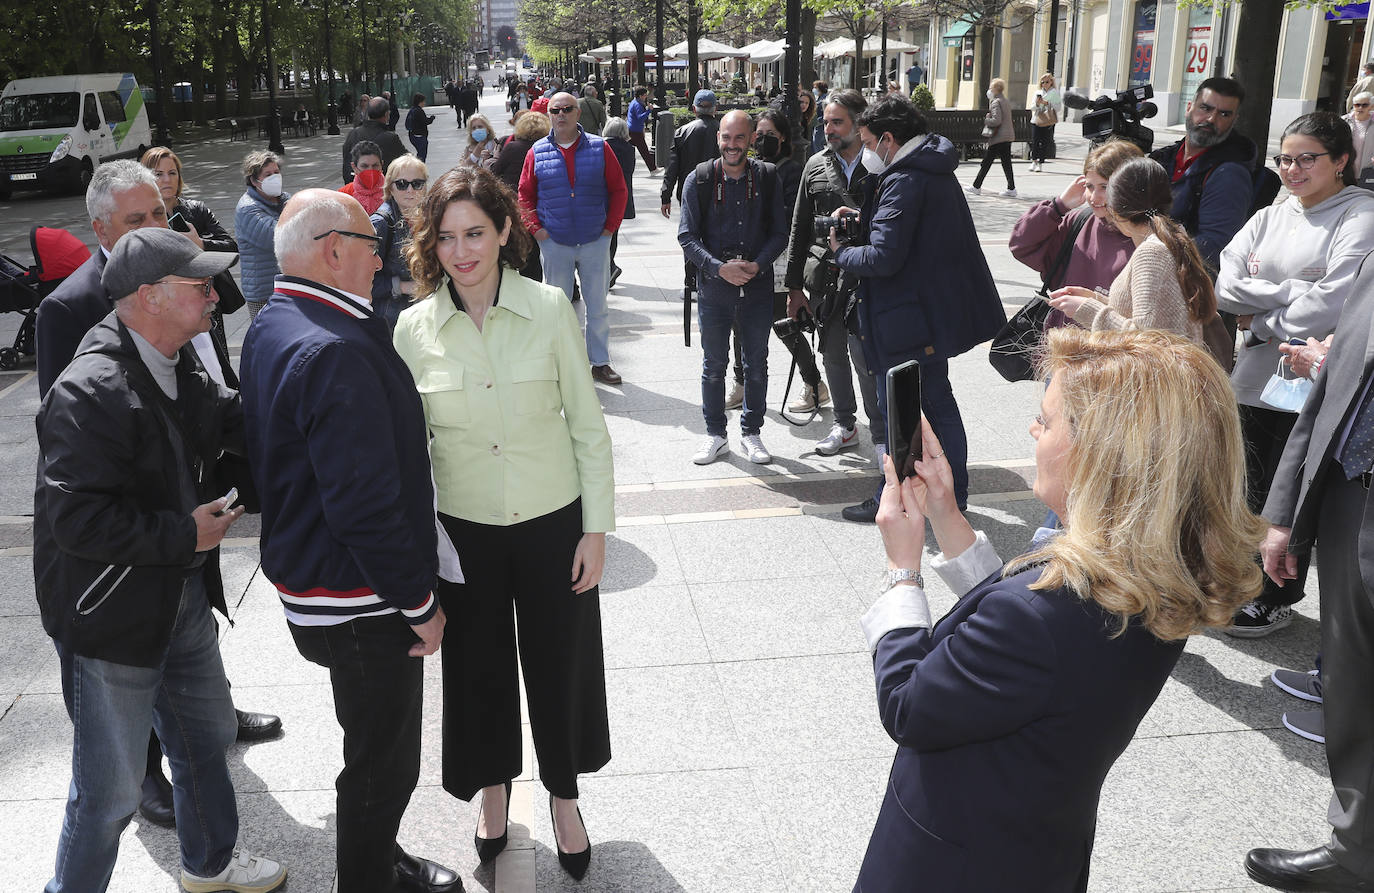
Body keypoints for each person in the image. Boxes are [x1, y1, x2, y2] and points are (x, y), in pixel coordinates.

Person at [858, 326, 1266, 891]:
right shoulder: (1151, 563)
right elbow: (1028, 651)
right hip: (1034, 845)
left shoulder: (1037, 616)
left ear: (1100, 452)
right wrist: (946, 514)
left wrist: (904, 572)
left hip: (952, 859)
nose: (1033, 429)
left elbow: (907, 705)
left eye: (1047, 421)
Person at [36, 227, 288, 893]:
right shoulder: (90, 389)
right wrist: (184, 535)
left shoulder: (176, 362)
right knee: (109, 795)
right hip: (112, 616)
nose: (213, 295)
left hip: (177, 598)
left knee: (204, 742)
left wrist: (313, 406)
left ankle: (210, 866)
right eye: (198, 285)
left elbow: (232, 416)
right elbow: (74, 519)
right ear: (149, 297)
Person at [392, 166, 613, 883]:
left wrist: (596, 528)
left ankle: (565, 794)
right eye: (447, 236)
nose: (463, 251)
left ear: (505, 233)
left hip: (554, 523)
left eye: (476, 233)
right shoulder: (413, 329)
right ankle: (493, 789)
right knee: (479, 668)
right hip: (466, 535)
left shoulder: (549, 308)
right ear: (431, 243)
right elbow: (409, 455)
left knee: (561, 666)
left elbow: (588, 425)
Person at [238, 190, 462, 893]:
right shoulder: (331, 347)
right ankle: (368, 877)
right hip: (359, 600)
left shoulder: (278, 321)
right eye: (369, 245)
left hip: (318, 582)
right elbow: (364, 508)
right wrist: (419, 601)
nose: (381, 257)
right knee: (382, 762)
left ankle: (379, 854)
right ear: (333, 250)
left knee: (368, 739)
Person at [1213, 111, 1374, 640]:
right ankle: (1240, 581)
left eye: (1308, 159)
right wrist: (1288, 292)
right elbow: (1224, 282)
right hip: (1255, 375)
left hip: (1313, 383)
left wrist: (1258, 320)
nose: (1293, 169)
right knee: (1245, 486)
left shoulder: (1359, 215)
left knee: (1290, 496)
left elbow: (1335, 300)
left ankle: (1277, 594)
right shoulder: (1272, 213)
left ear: (1342, 161)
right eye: (1285, 159)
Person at [831, 95, 1003, 519]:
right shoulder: (929, 169)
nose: (868, 151)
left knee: (908, 413)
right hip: (923, 314)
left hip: (907, 318)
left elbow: (883, 257)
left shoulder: (905, 178)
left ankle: (904, 499)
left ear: (889, 140)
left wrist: (841, 252)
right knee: (935, 403)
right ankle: (947, 498)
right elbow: (911, 236)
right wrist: (865, 218)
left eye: (869, 143)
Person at [679, 110, 788, 465]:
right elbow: (686, 235)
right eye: (726, 138)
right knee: (714, 365)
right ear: (718, 139)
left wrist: (758, 264)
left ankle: (752, 433)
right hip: (715, 288)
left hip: (757, 287)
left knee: (756, 364)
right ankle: (715, 435)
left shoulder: (768, 177)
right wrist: (718, 268)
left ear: (752, 139)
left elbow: (779, 233)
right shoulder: (699, 179)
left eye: (740, 138)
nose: (732, 145)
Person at [783, 89, 881, 461]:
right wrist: (794, 287)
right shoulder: (815, 165)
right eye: (825, 121)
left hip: (868, 279)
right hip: (826, 278)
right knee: (833, 355)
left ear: (860, 124)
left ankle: (883, 431)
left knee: (866, 359)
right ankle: (844, 424)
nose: (829, 129)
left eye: (837, 122)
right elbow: (799, 228)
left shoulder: (880, 165)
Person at [517, 91, 629, 385]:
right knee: (556, 309)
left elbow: (619, 190)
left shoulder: (600, 148)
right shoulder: (536, 152)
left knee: (598, 306)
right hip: (555, 243)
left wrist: (609, 229)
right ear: (549, 115)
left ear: (578, 113)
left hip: (594, 241)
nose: (562, 114)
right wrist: (538, 231)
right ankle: (561, 364)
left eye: (568, 109)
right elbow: (524, 196)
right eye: (556, 110)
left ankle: (600, 362)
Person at [1047, 155, 1215, 346]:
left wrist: (1088, 309)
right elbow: (1151, 318)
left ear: (1116, 208)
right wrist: (1095, 299)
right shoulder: (1170, 239)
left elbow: (1144, 338)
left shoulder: (1151, 253)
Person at [1009, 139, 1143, 331]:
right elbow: (1022, 245)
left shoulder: (1148, 237)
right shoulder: (1079, 221)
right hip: (1063, 348)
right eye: (1089, 186)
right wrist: (1058, 206)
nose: (1094, 197)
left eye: (1104, 187)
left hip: (1113, 353)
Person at [140, 146, 246, 387]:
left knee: (217, 366)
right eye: (158, 174)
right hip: (166, 306)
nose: (167, 179)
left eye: (172, 173)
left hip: (205, 300)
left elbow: (231, 246)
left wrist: (200, 243)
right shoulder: (143, 219)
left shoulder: (195, 210)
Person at [1146, 77, 1255, 273]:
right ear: (1189, 107)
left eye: (1224, 114)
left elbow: (1214, 245)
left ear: (1234, 120)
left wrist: (1149, 255)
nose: (1212, 119)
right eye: (1205, 108)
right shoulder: (1165, 156)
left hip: (1181, 280)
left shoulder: (1229, 173)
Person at [488, 111, 549, 283]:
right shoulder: (545, 148)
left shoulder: (513, 147)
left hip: (515, 203)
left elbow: (496, 170)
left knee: (519, 246)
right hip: (539, 203)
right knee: (537, 250)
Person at [371, 155, 429, 328]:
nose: (410, 190)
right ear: (390, 188)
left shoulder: (429, 216)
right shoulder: (380, 223)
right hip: (393, 320)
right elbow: (358, 280)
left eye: (417, 183)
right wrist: (402, 286)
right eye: (402, 184)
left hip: (423, 314)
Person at [236, 150, 290, 319]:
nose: (274, 177)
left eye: (276, 172)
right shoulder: (248, 209)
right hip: (264, 293)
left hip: (285, 287)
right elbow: (280, 238)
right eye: (268, 174)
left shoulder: (283, 199)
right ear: (254, 180)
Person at [341, 96, 407, 184]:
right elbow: (407, 160)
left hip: (355, 187)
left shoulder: (353, 133)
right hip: (380, 189)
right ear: (387, 114)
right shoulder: (391, 138)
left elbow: (346, 160)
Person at [603, 116, 636, 289]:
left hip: (602, 197)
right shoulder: (629, 149)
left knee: (603, 235)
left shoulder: (602, 147)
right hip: (622, 198)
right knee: (613, 233)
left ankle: (609, 268)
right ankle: (609, 268)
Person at [969, 77, 1016, 197]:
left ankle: (976, 186)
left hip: (998, 138)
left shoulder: (996, 102)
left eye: (991, 88)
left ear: (995, 89)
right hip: (1007, 136)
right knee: (1006, 163)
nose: (989, 90)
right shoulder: (1005, 100)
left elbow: (996, 120)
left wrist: (987, 120)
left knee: (987, 162)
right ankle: (1011, 188)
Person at [339, 140, 387, 214]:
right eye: (364, 166)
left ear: (381, 165)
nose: (370, 170)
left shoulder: (393, 190)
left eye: (375, 166)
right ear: (354, 167)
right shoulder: (343, 195)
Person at [1030, 72, 1060, 172]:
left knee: (1044, 142)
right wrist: (1038, 104)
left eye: (1047, 82)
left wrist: (1047, 103)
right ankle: (1033, 161)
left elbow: (1058, 107)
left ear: (1051, 82)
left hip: (1049, 120)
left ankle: (1040, 163)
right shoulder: (1038, 92)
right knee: (1035, 141)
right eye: (1043, 82)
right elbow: (1032, 107)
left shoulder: (1054, 93)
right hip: (1037, 120)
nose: (1045, 84)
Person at [626, 86, 659, 173]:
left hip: (631, 129)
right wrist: (649, 110)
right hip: (636, 131)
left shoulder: (634, 102)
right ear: (640, 96)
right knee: (644, 151)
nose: (646, 97)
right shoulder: (638, 105)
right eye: (645, 95)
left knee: (628, 149)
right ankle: (653, 169)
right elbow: (640, 118)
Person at [1343, 92, 1374, 182]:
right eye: (1357, 105)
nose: (1360, 108)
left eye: (1364, 105)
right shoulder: (1344, 121)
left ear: (1371, 106)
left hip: (1368, 170)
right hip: (1345, 169)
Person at [405, 93, 435, 162]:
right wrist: (431, 118)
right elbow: (425, 121)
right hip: (419, 136)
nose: (425, 103)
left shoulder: (412, 109)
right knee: (422, 155)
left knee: (420, 153)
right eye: (424, 101)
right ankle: (419, 169)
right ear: (420, 102)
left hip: (413, 134)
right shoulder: (419, 111)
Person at [798, 89, 823, 154]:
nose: (804, 105)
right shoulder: (794, 117)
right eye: (801, 102)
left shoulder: (805, 118)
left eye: (807, 103)